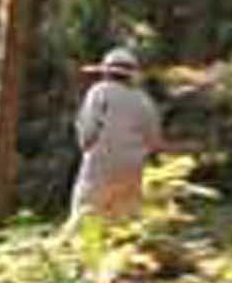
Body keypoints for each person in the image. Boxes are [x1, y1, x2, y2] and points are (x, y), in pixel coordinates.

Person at [71, 43, 165, 224]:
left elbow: (87, 132)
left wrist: (88, 148)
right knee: (124, 221)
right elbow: (154, 141)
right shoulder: (144, 101)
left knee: (86, 217)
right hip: (132, 168)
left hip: (99, 166)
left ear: (106, 72)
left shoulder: (99, 92)